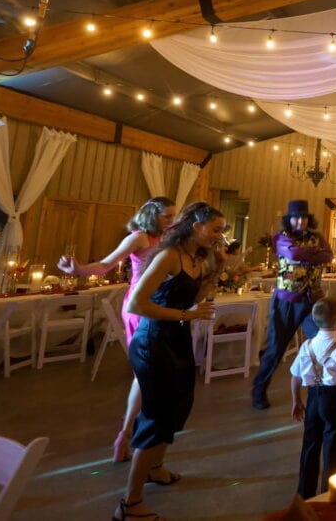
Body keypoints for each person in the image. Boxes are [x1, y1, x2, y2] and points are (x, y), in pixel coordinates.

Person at [112, 202, 223, 521]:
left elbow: (195, 298)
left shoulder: (196, 258)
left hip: (176, 338)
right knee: (157, 415)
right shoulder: (167, 256)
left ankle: (155, 468)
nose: (219, 236)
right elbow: (136, 304)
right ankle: (129, 505)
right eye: (215, 229)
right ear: (195, 225)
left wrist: (215, 271)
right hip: (152, 341)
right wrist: (183, 315)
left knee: (179, 406)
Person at [58, 196, 177, 463]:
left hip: (159, 305)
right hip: (139, 305)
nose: (172, 221)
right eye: (167, 216)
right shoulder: (139, 238)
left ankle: (130, 437)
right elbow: (105, 264)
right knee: (146, 374)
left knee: (151, 376)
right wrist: (78, 269)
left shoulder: (168, 239)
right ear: (152, 215)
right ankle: (128, 436)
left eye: (173, 216)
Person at [252, 200, 333, 410]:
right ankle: (258, 390)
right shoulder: (280, 237)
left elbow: (329, 255)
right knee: (276, 349)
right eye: (296, 217)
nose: (300, 221)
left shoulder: (317, 237)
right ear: (289, 219)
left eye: (304, 217)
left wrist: (310, 256)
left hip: (312, 300)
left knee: (324, 340)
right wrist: (315, 256)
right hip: (286, 302)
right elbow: (293, 254)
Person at [290, 297, 336, 499]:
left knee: (310, 443)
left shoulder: (307, 346)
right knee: (333, 444)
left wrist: (297, 401)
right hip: (334, 399)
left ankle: (304, 492)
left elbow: (295, 376)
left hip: (312, 397)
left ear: (314, 320)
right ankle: (328, 491)